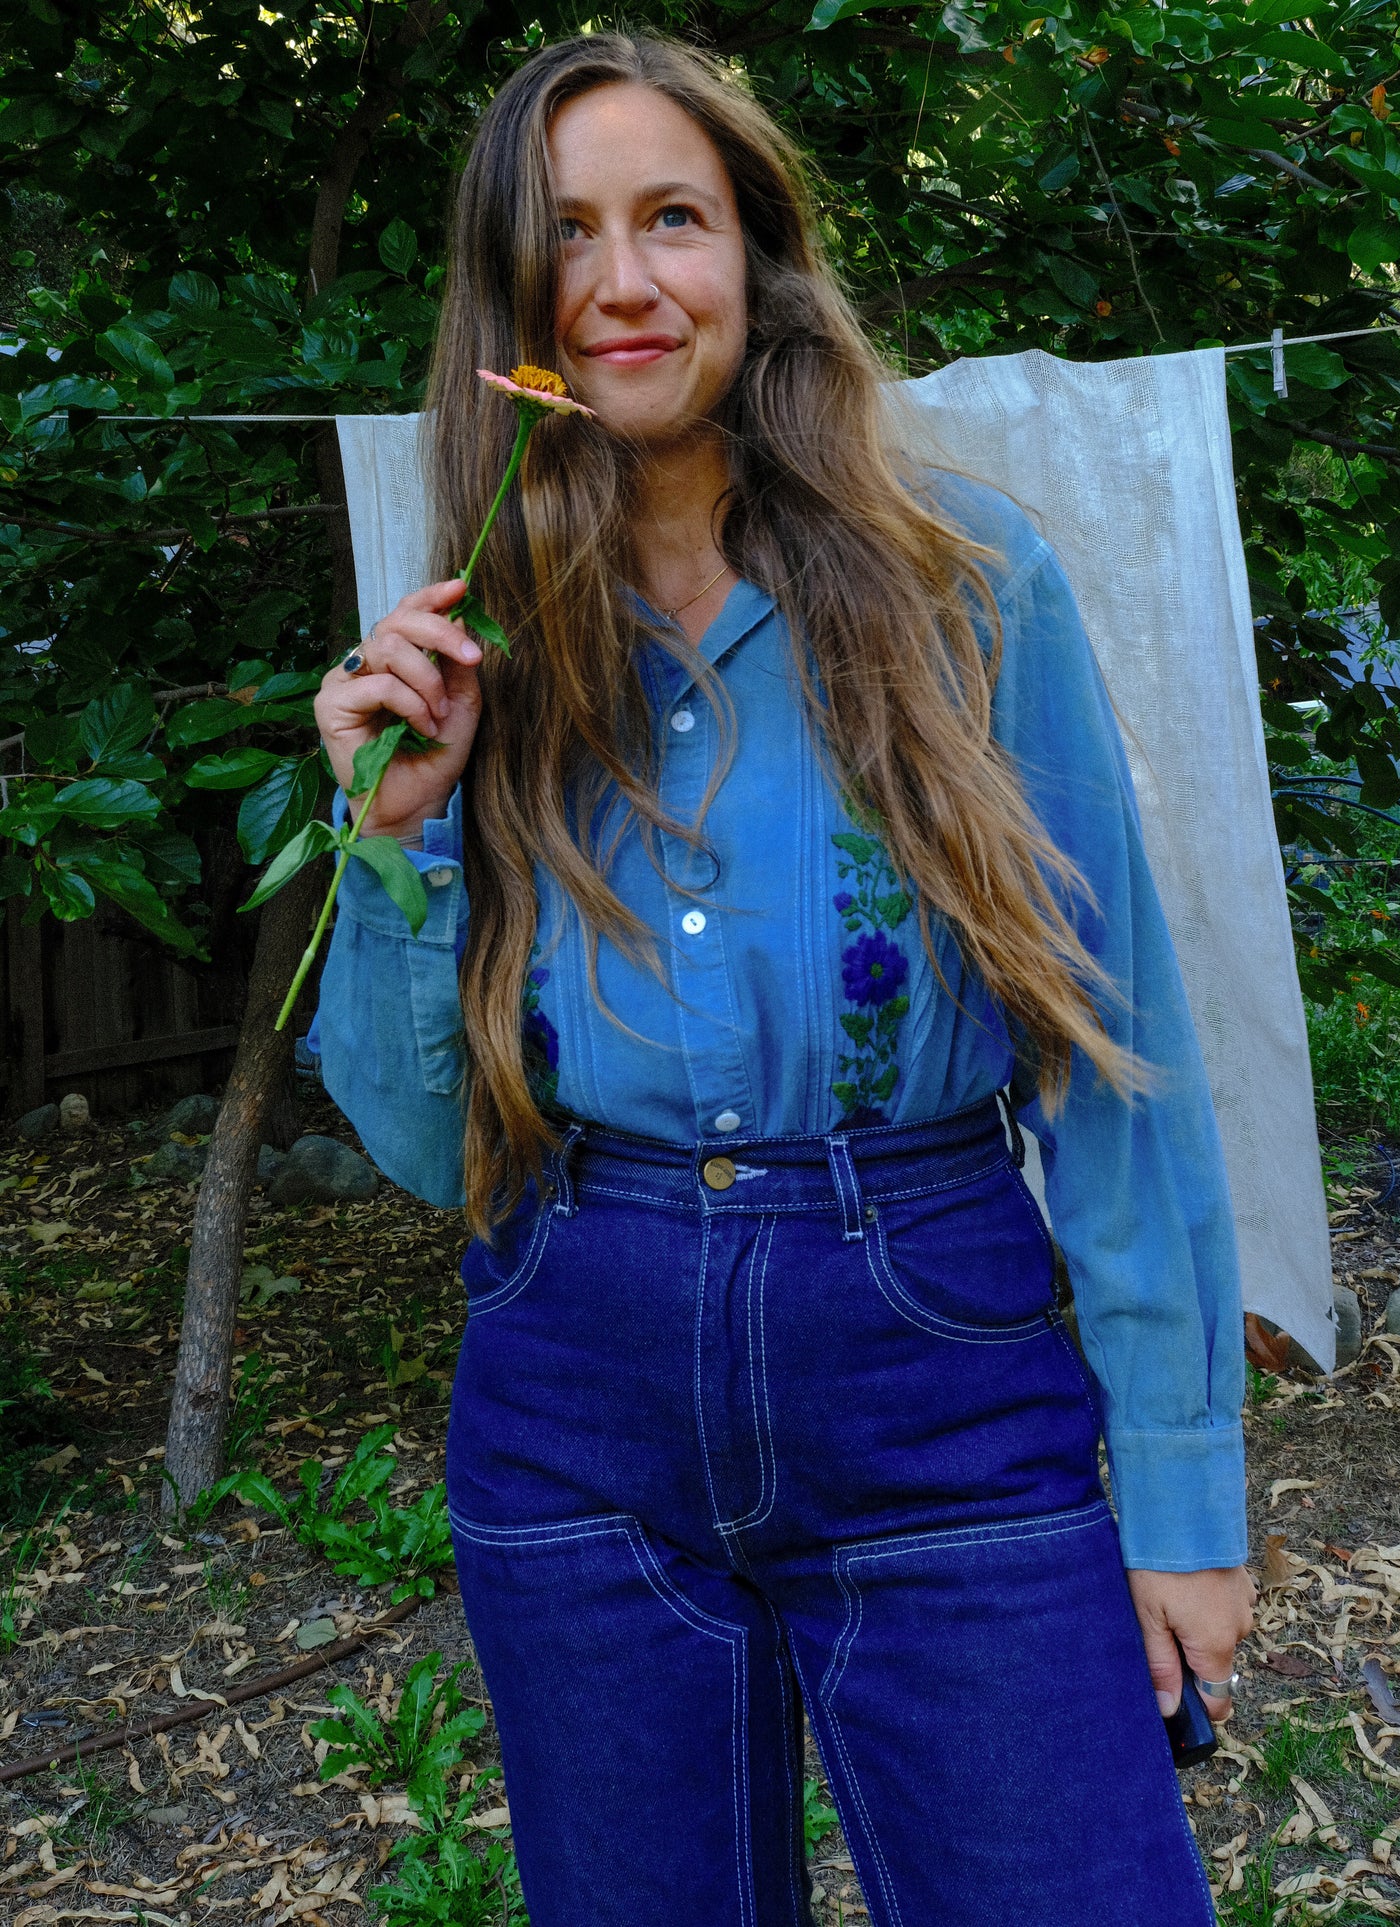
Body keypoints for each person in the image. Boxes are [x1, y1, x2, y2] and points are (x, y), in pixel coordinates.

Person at [312, 31, 1254, 1925]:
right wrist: (392, 832)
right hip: (578, 1392)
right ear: (514, 296)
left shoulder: (965, 584)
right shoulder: (477, 641)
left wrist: (1178, 1486)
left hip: (940, 1372)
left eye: (672, 218)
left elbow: (1114, 1044)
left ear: (755, 258)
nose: (621, 279)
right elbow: (429, 1148)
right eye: (565, 234)